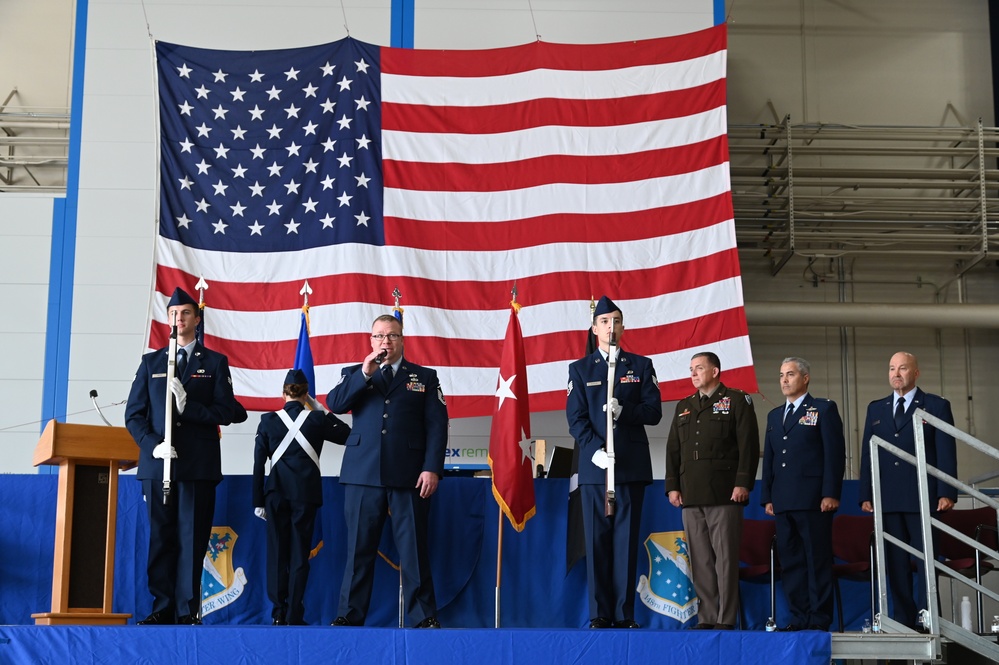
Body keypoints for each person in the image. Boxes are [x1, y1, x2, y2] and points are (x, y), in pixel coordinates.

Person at [326, 314, 448, 628]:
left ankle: (422, 616)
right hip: (362, 473)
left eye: (392, 335)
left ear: (402, 339)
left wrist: (432, 468)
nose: (385, 342)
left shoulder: (424, 376)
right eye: (379, 336)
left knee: (414, 549)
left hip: (409, 474)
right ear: (371, 341)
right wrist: (364, 373)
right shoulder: (355, 373)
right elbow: (335, 404)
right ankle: (349, 614)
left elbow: (436, 428)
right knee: (358, 550)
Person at [125, 287, 237, 625]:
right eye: (174, 314)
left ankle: (188, 609)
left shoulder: (214, 363)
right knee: (161, 538)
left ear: (197, 319)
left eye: (186, 313)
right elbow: (134, 414)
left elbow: (229, 410)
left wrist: (192, 407)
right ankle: (162, 607)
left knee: (192, 538)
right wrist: (152, 444)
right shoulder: (152, 362)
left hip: (197, 466)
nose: (179, 319)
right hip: (159, 464)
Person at [566, 296, 663, 629]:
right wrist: (593, 450)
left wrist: (627, 411)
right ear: (595, 328)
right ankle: (599, 613)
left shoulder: (641, 366)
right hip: (596, 471)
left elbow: (653, 412)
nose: (612, 327)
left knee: (625, 542)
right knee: (597, 543)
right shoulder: (580, 369)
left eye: (617, 321)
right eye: (605, 321)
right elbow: (576, 419)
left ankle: (624, 613)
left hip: (631, 466)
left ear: (623, 326)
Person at [859, 351, 957, 630]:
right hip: (887, 498)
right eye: (891, 368)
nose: (896, 374)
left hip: (924, 497)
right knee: (895, 562)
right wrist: (866, 493)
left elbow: (946, 452)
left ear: (916, 373)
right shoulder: (876, 408)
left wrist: (947, 491)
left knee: (926, 560)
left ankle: (928, 617)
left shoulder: (936, 405)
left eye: (902, 368)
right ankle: (903, 618)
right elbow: (868, 453)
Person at [665, 351, 759, 630]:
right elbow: (673, 450)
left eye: (699, 368)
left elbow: (748, 445)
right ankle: (707, 616)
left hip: (724, 493)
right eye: (691, 369)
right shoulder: (684, 405)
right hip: (691, 494)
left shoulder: (737, 400)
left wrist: (743, 482)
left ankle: (726, 618)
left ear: (715, 371)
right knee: (701, 560)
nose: (693, 373)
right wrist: (672, 486)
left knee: (726, 560)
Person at [252, 369, 351, 625]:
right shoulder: (317, 420)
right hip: (305, 494)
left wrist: (257, 501)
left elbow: (258, 464)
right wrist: (322, 410)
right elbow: (347, 436)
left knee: (276, 554)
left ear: (283, 393)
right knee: (299, 554)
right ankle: (295, 613)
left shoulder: (268, 421)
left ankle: (278, 612)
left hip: (275, 493)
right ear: (307, 394)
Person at [760, 357, 845, 631]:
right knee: (792, 562)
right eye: (782, 375)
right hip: (783, 501)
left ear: (805, 378)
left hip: (814, 500)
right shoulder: (775, 415)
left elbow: (834, 455)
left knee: (816, 560)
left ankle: (819, 618)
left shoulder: (823, 408)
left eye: (791, 374)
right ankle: (799, 616)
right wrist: (768, 497)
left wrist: (830, 492)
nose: (785, 380)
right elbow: (770, 460)